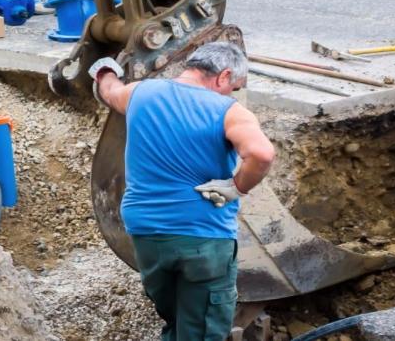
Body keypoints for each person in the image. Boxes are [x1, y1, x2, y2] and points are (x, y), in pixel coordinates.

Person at [90, 42, 276, 340]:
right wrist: (235, 187)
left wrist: (104, 70)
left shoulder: (140, 93)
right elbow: (262, 154)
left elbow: (110, 91)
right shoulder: (228, 111)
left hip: (147, 236)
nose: (233, 93)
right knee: (202, 330)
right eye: (235, 87)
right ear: (223, 76)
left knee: (176, 317)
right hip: (203, 238)